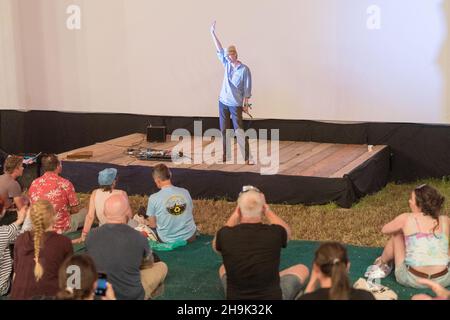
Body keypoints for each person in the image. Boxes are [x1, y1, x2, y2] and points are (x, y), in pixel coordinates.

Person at [213, 185, 309, 300]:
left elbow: (216, 246)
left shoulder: (224, 234)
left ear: (239, 210)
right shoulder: (275, 233)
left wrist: (235, 215)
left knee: (223, 268)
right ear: (262, 208)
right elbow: (287, 233)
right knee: (302, 269)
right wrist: (268, 211)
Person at [366, 184, 450, 288]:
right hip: (444, 279)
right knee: (442, 240)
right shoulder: (445, 220)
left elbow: (385, 230)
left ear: (419, 204)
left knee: (397, 234)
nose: (409, 201)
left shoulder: (406, 218)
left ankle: (382, 263)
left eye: (411, 199)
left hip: (413, 279)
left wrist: (403, 228)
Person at [86, 193, 167, 300]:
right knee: (162, 266)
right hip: (131, 295)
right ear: (128, 213)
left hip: (102, 292)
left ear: (104, 213)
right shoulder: (138, 237)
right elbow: (148, 264)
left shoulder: (91, 235)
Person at [10, 200, 73, 299]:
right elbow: (72, 277)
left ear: (31, 218)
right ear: (54, 217)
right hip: (50, 295)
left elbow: (15, 275)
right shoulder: (63, 242)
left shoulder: (20, 239)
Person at [210, 21, 253, 164]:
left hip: (235, 104)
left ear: (235, 54)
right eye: (227, 55)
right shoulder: (227, 64)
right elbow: (219, 49)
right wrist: (212, 33)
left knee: (238, 130)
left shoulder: (244, 70)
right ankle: (225, 155)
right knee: (224, 130)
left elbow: (247, 89)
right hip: (223, 102)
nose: (228, 57)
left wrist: (246, 104)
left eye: (230, 55)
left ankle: (247, 157)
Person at [27, 154, 86, 234]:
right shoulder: (65, 184)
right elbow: (75, 210)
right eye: (60, 164)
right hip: (61, 228)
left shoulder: (34, 183)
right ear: (58, 166)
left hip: (40, 227)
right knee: (87, 212)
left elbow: (32, 205)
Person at [298, 242, 375, 300]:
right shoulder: (365, 297)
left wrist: (312, 282)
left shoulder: (307, 298)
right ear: (347, 266)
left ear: (316, 268)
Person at [73, 168, 132, 243]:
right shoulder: (122, 193)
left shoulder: (95, 193)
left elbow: (90, 216)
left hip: (103, 232)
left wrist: (83, 235)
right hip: (120, 233)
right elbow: (129, 216)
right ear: (113, 181)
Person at [145, 164, 197, 243]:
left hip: (167, 240)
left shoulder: (153, 198)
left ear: (157, 180)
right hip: (190, 236)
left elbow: (153, 225)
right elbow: (190, 211)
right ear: (170, 175)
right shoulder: (185, 191)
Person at [0, 199, 27, 296]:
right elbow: (23, 236)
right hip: (3, 288)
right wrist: (23, 218)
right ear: (3, 211)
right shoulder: (4, 232)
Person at [0, 155, 26, 226]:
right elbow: (21, 208)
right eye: (21, 166)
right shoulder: (13, 184)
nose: (23, 168)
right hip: (3, 219)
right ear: (15, 169)